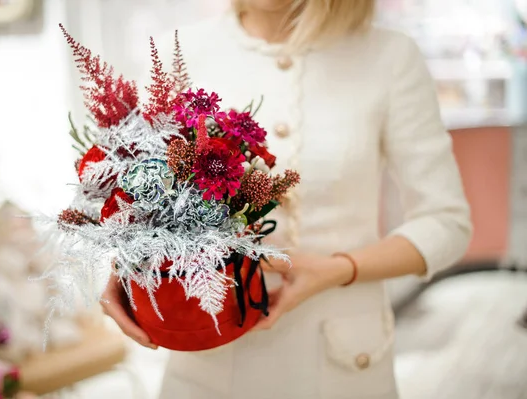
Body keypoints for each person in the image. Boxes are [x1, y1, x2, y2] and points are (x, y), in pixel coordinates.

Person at [101, 1, 473, 398]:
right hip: (208, 365)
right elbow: (143, 196)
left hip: (341, 363)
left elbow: (446, 223)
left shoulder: (389, 56)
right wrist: (126, 266)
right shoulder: (179, 52)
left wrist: (337, 269)